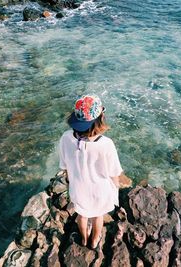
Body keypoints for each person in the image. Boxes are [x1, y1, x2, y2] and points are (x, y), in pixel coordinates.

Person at [58, 95, 123, 249]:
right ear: (101, 118)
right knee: (98, 216)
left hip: (78, 189)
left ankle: (84, 239)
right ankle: (94, 240)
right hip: (99, 191)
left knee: (82, 215)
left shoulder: (66, 138)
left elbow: (65, 167)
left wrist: (70, 183)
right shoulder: (106, 144)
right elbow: (114, 173)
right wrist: (116, 188)